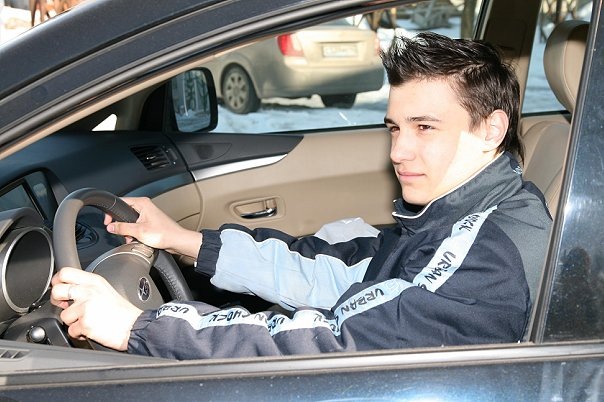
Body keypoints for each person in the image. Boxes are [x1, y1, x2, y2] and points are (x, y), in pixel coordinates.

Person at [50, 32, 552, 359]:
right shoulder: (450, 219)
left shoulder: (489, 257)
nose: (399, 151)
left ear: (490, 130)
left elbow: (335, 345)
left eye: (425, 128)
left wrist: (140, 326)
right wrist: (185, 240)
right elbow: (341, 273)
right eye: (394, 128)